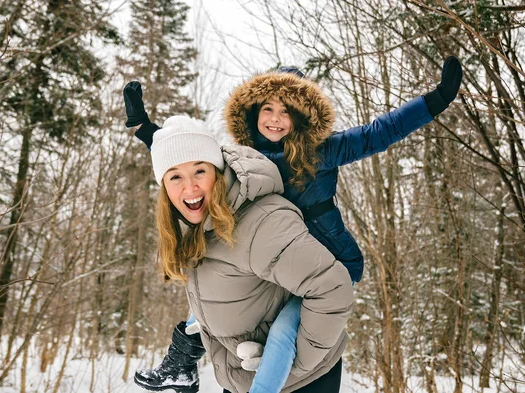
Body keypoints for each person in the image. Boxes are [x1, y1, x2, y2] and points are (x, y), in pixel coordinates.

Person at [128, 56, 462, 393]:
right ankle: (180, 365)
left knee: (285, 331)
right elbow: (186, 156)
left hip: (320, 262)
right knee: (210, 298)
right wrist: (145, 127)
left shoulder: (321, 151)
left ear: (301, 118)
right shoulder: (240, 157)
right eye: (268, 109)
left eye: (287, 111)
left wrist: (436, 99)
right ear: (253, 113)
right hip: (268, 270)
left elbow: (380, 132)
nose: (276, 119)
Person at [143, 115, 354, 393]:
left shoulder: (258, 221)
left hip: (298, 384)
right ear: (165, 189)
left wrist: (286, 368)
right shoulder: (203, 225)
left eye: (200, 171)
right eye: (175, 177)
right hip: (244, 379)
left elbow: (332, 287)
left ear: (217, 171)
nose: (190, 187)